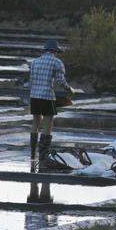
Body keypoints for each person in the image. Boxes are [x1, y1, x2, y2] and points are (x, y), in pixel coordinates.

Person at [29, 39, 70, 169]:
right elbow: (60, 81)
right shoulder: (57, 62)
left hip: (34, 96)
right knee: (48, 124)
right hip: (47, 96)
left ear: (45, 50)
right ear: (55, 51)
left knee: (35, 123)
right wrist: (70, 89)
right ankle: (43, 157)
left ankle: (32, 154)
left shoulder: (34, 62)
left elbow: (31, 81)